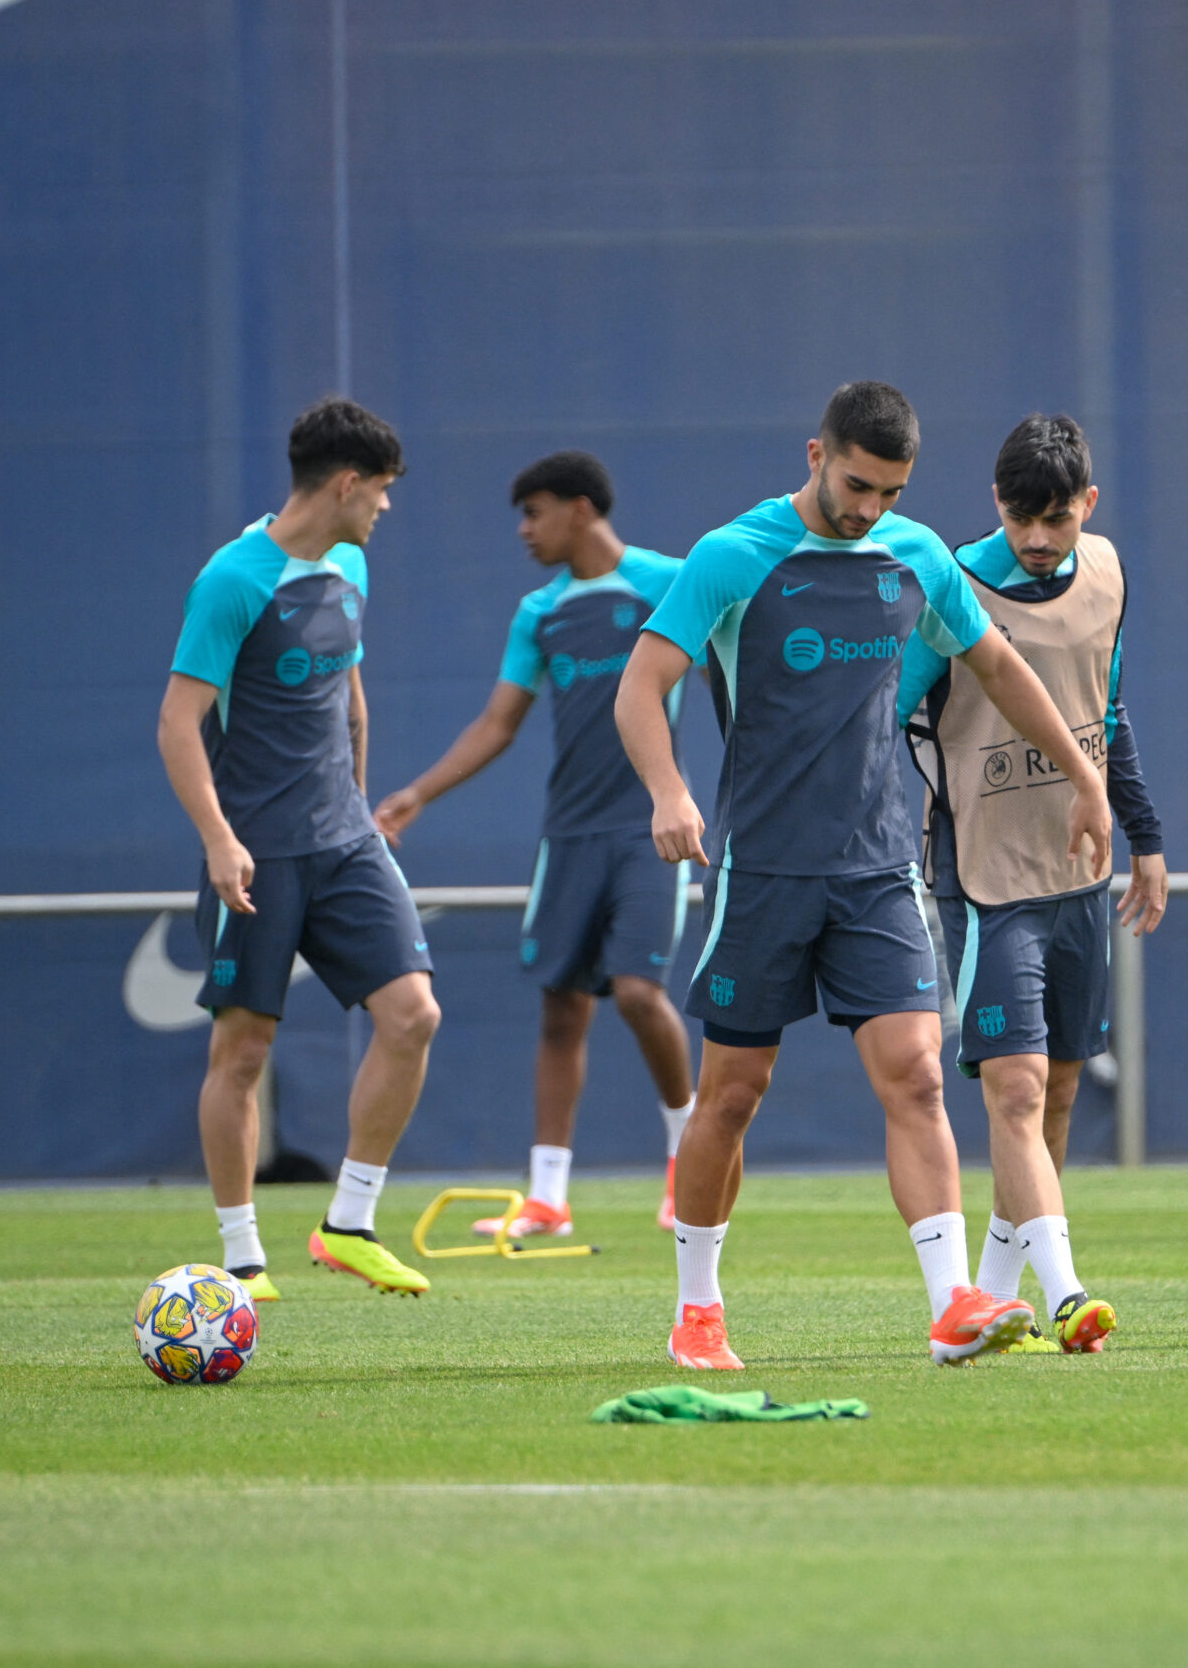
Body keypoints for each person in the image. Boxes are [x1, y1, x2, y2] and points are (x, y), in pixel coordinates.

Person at [615, 382, 1113, 1370]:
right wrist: (668, 792)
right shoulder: (732, 558)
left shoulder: (916, 556)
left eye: (890, 492)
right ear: (815, 453)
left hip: (881, 870)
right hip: (761, 870)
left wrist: (1085, 776)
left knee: (920, 1077)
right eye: (856, 485)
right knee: (732, 1094)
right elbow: (641, 685)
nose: (870, 509)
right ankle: (698, 1311)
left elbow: (1001, 668)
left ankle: (951, 1305)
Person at [158, 396, 443, 1302]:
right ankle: (242, 1259)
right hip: (259, 851)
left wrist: (361, 809)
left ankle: (348, 1224)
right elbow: (177, 722)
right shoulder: (233, 580)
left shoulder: (350, 563)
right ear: (348, 483)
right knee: (242, 1053)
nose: (387, 509)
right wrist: (218, 839)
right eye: (384, 491)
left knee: (414, 1015)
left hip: (346, 840)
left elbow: (350, 696)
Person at [373, 451, 698, 1239]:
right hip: (569, 838)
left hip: (647, 832)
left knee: (636, 992)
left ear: (581, 508)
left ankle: (691, 1162)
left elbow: (727, 665)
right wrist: (417, 792)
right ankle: (547, 1197)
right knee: (560, 1009)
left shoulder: (671, 582)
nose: (524, 530)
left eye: (535, 512)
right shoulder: (539, 613)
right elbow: (497, 723)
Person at [900, 415, 1167, 1355]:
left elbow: (1108, 710)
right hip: (983, 876)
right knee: (1011, 1090)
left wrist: (1147, 838)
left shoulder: (1107, 574)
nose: (1039, 536)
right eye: (1022, 517)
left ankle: (982, 1307)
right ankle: (1067, 1294)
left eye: (1057, 516)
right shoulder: (951, 587)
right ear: (997, 505)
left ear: (1087, 506)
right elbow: (883, 716)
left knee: (1053, 1096)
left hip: (1078, 876)